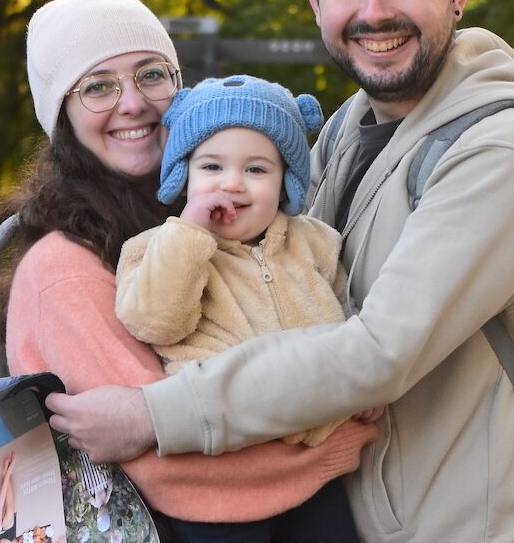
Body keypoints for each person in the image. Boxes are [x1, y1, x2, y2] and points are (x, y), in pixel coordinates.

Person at [46, 0, 514, 540]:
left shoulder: (502, 150)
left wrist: (154, 415)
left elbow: (377, 354)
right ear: (315, 1)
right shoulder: (349, 131)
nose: (374, 11)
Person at [0, 0, 377, 538]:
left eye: (151, 74)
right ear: (62, 115)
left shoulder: (230, 218)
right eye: (98, 86)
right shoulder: (63, 266)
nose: (133, 103)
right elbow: (172, 466)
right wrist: (336, 444)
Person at [115, 74, 379, 540]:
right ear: (183, 177)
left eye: (256, 170)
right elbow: (155, 322)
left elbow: (349, 322)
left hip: (313, 467)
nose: (232, 184)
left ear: (285, 183)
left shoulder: (315, 243)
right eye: (212, 167)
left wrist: (367, 388)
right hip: (221, 476)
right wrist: (190, 232)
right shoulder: (156, 248)